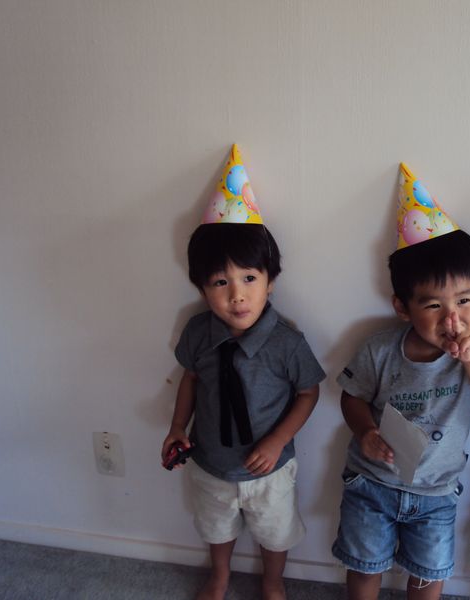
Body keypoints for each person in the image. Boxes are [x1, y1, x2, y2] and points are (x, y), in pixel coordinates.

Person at [331, 163, 470, 600]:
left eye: (464, 301)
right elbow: (351, 398)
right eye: (433, 306)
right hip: (372, 481)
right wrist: (366, 431)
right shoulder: (380, 349)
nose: (452, 318)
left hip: (436, 492)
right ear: (402, 307)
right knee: (363, 565)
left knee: (430, 572)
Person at [161, 145, 325, 600]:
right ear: (202, 288)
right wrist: (177, 427)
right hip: (210, 462)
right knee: (216, 528)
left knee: (276, 533)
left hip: (269, 468)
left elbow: (308, 392)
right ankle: (219, 576)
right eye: (220, 282)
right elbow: (190, 378)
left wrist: (277, 441)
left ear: (270, 280)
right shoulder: (198, 332)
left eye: (249, 279)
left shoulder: (287, 342)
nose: (237, 295)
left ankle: (272, 581)